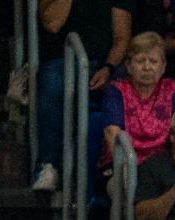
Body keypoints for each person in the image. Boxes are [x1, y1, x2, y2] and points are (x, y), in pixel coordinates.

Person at [30, 0, 132, 191]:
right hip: (63, 61)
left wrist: (108, 67)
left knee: (124, 84)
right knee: (53, 80)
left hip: (104, 64)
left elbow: (122, 38)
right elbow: (53, 23)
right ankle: (49, 165)